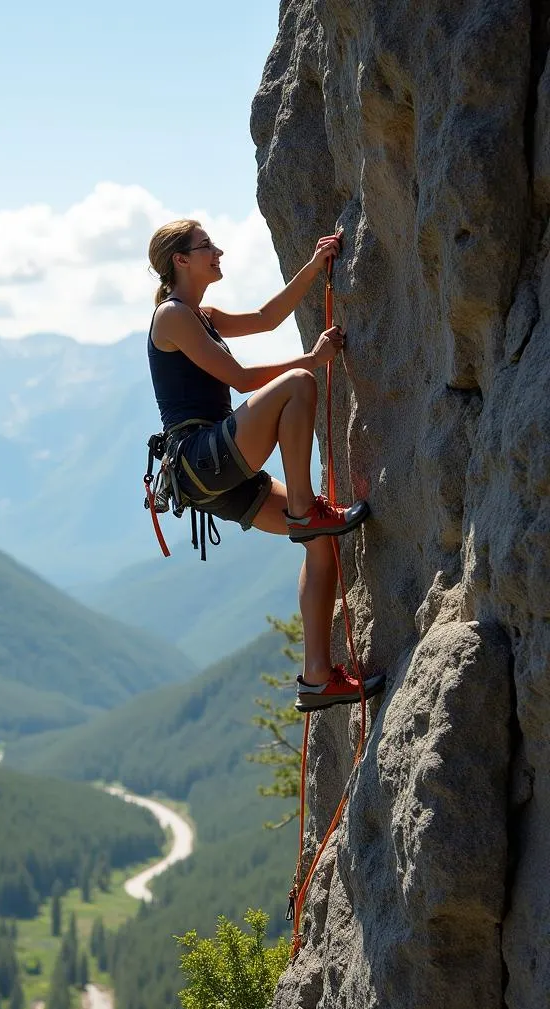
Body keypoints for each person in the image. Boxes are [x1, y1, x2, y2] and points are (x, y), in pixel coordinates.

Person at [146, 219, 384, 712]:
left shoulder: (200, 314)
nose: (219, 251)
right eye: (206, 246)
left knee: (321, 542)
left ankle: (317, 678)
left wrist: (315, 265)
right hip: (201, 455)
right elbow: (237, 378)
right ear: (181, 260)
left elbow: (265, 316)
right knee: (298, 384)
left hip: (212, 472)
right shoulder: (172, 317)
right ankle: (304, 508)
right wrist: (313, 359)